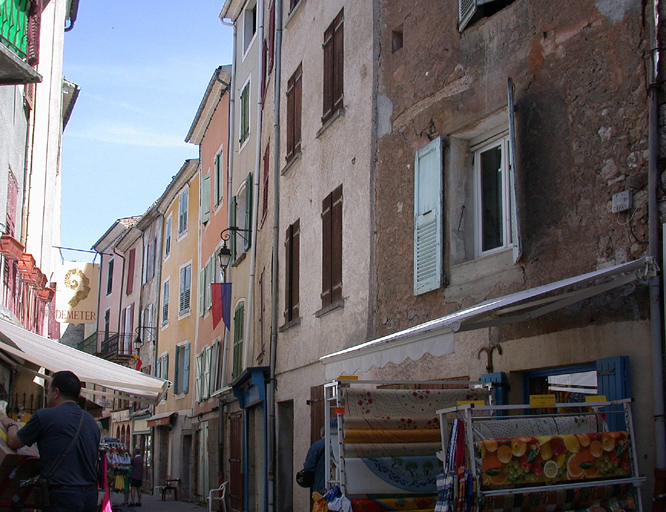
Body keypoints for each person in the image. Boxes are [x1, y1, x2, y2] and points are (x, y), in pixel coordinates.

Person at [1, 370, 101, 512]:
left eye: (48, 391)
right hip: (89, 497)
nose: (47, 395)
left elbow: (13, 442)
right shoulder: (92, 422)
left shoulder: (45, 416)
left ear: (56, 392)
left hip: (62, 497)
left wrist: (10, 424)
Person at [302, 426, 326, 495]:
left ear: (322, 434)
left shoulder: (316, 446)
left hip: (320, 486)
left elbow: (309, 467)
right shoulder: (341, 444)